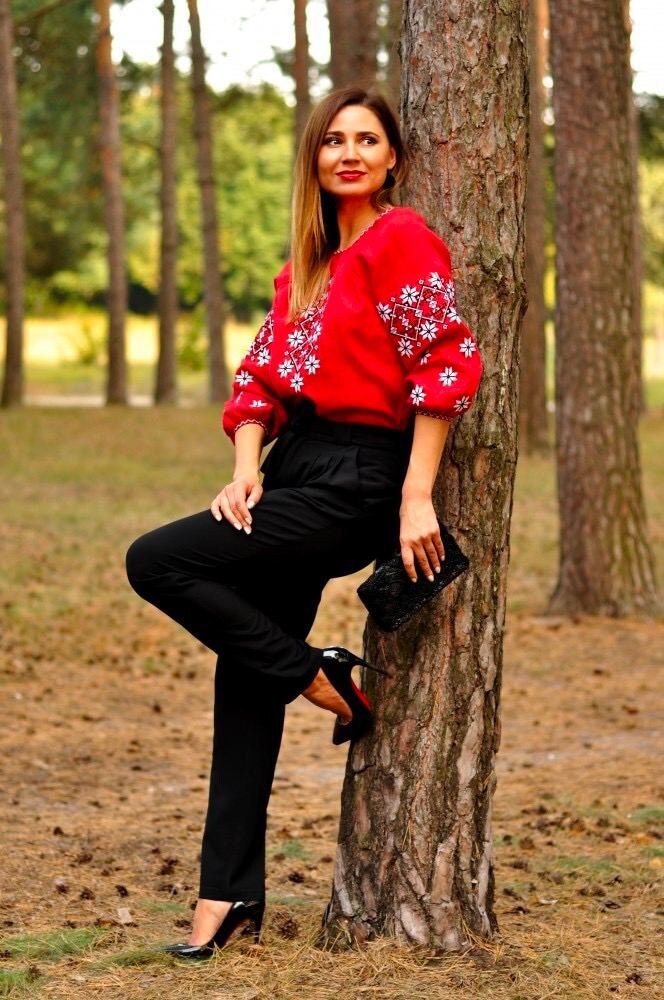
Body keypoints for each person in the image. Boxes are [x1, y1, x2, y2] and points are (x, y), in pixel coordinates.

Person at [125, 85, 483, 960]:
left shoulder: (402, 242)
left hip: (358, 478)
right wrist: (244, 473)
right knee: (243, 687)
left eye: (367, 139)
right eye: (332, 141)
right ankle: (226, 897)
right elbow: (260, 382)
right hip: (291, 470)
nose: (349, 153)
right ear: (315, 160)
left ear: (394, 157)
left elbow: (444, 362)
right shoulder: (308, 264)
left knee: (156, 560)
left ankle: (319, 673)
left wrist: (413, 495)